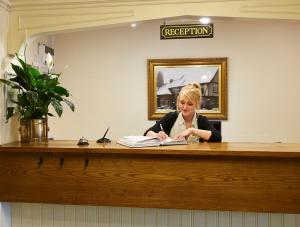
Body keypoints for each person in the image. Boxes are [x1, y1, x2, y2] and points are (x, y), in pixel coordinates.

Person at [144, 83, 221, 142]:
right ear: (178, 102)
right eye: (182, 103)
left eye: (190, 104)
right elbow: (147, 133)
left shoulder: (201, 120)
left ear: (197, 105)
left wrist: (191, 130)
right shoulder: (171, 117)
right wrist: (156, 135)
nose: (184, 107)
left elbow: (217, 137)